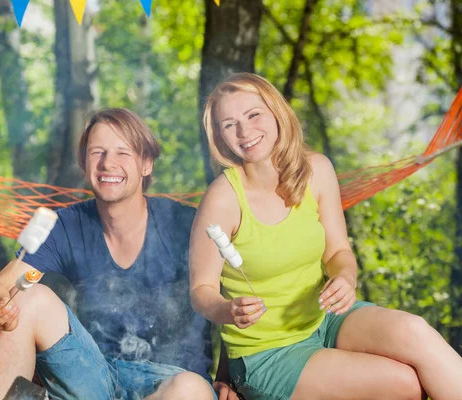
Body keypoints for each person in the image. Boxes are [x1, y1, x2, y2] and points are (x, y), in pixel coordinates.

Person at [189, 72, 462, 400]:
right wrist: (227, 310)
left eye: (253, 114)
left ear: (277, 112)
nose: (245, 131)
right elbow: (201, 290)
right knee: (404, 383)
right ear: (219, 137)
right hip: (268, 352)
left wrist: (345, 277)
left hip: (327, 317)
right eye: (229, 124)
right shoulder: (222, 198)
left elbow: (337, 252)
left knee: (414, 331)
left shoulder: (316, 170)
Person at [0, 108, 235, 400]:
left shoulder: (188, 225)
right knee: (25, 297)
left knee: (189, 390)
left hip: (174, 384)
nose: (108, 163)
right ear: (84, 164)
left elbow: (231, 298)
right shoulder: (63, 224)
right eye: (97, 152)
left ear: (146, 164)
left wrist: (229, 378)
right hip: (94, 375)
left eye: (123, 153)